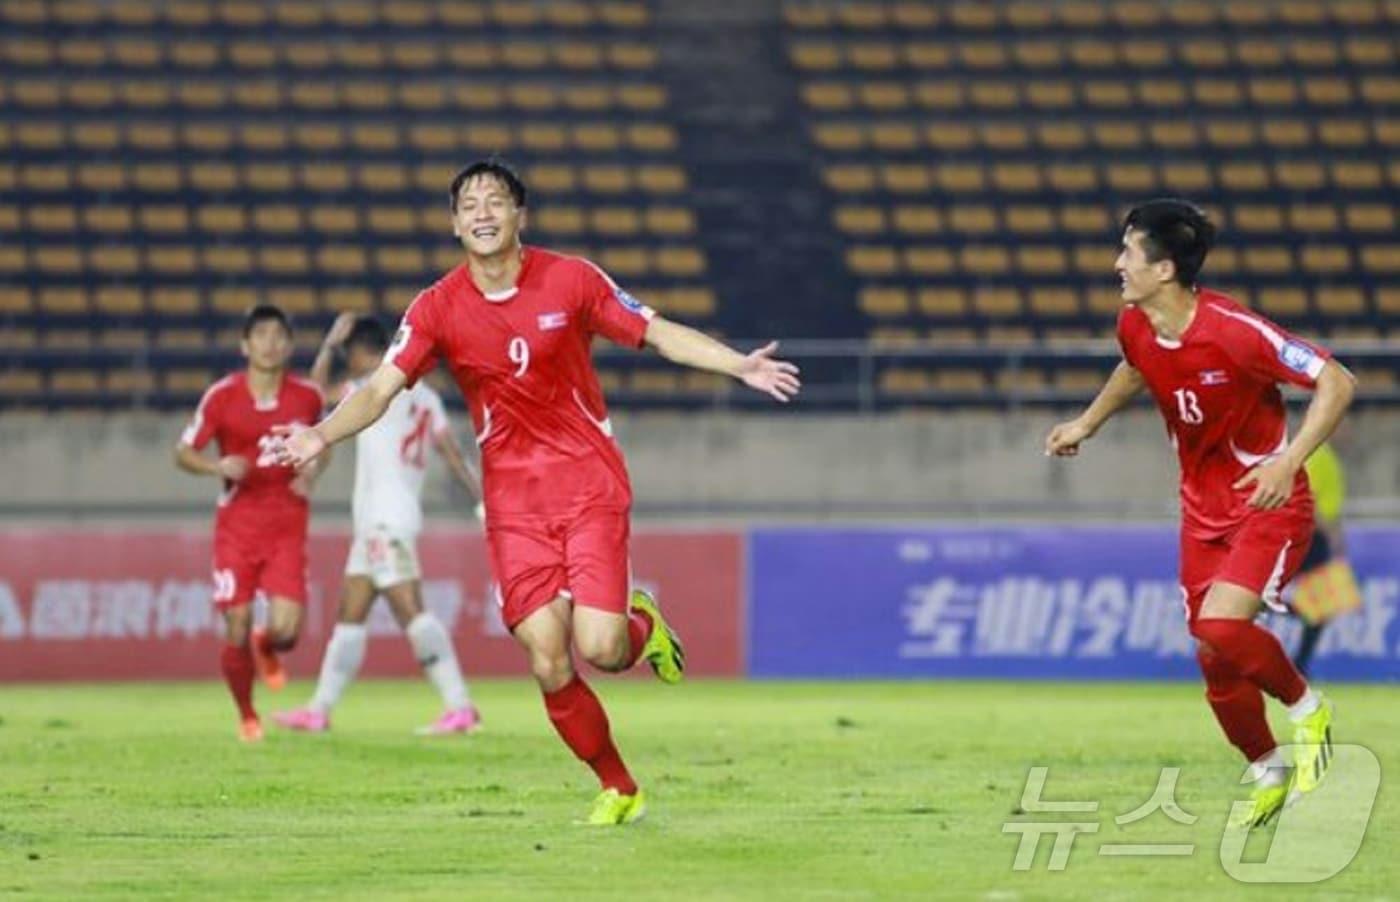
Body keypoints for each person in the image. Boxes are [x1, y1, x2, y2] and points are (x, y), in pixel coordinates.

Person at [273, 159, 800, 824]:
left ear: (521, 215)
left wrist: (737, 363)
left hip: (587, 485)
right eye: (469, 204)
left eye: (496, 200)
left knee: (603, 649)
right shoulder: (437, 307)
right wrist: (321, 436)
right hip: (514, 507)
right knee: (549, 659)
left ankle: (644, 624)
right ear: (454, 224)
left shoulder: (573, 280)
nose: (483, 212)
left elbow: (656, 331)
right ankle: (619, 786)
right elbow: (379, 387)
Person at [1045, 198, 1355, 829]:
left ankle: (1307, 707)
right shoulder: (1134, 323)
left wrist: (1289, 460)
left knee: (1219, 629)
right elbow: (1136, 370)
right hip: (1201, 510)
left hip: (1266, 501)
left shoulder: (1235, 330)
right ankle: (1267, 769)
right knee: (1213, 656)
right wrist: (1088, 421)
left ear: (1165, 270)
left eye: (1129, 253)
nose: (1117, 264)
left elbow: (1338, 381)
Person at [275, 313, 486, 736]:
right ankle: (320, 708)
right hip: (391, 516)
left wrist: (330, 342)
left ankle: (460, 707)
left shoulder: (370, 390)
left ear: (358, 353)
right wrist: (481, 499)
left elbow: (315, 395)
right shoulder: (425, 397)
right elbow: (452, 453)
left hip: (383, 519)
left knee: (411, 609)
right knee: (350, 613)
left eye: (348, 354)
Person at [174, 304, 328, 742]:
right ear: (245, 344)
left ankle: (268, 646)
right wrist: (216, 466)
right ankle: (247, 715)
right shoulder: (222, 396)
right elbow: (182, 451)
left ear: (289, 345)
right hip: (237, 524)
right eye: (260, 335)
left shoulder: (308, 397)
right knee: (236, 622)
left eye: (278, 335)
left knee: (287, 633)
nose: (270, 343)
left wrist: (313, 470)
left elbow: (324, 441)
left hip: (287, 522)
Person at [1290, 441, 1354, 676]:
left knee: (1320, 606)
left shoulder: (1326, 456)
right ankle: (1298, 666)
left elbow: (1327, 504)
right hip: (1311, 537)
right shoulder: (1318, 455)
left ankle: (1299, 665)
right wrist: (1331, 534)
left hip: (1315, 536)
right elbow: (1310, 500)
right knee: (1320, 605)